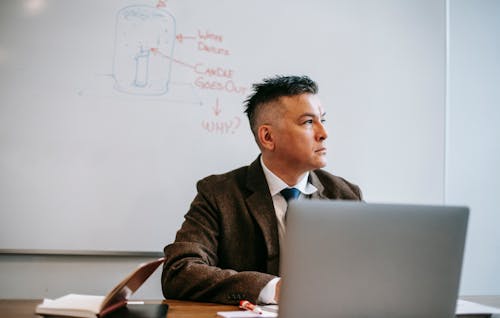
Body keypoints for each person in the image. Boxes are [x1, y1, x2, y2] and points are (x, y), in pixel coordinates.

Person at [161, 75, 362, 305]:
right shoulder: (218, 193)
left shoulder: (345, 196)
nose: (323, 133)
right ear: (267, 137)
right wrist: (273, 289)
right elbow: (179, 271)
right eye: (308, 122)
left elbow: (369, 275)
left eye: (322, 120)